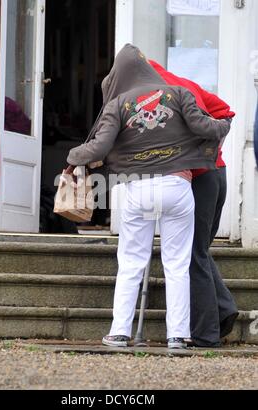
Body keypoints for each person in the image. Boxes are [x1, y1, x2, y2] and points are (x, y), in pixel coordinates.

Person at [66, 44, 231, 349]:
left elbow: (98, 149)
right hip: (176, 189)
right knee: (178, 265)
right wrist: (225, 124)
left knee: (131, 262)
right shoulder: (178, 93)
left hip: (137, 189)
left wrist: (72, 157)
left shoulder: (118, 103)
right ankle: (178, 335)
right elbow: (204, 125)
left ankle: (119, 333)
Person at [150, 60, 239, 347]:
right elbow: (225, 111)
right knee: (197, 250)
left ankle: (205, 335)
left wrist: (198, 154)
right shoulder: (184, 83)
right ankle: (224, 310)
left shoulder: (157, 93)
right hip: (217, 173)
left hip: (199, 179)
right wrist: (212, 150)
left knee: (192, 255)